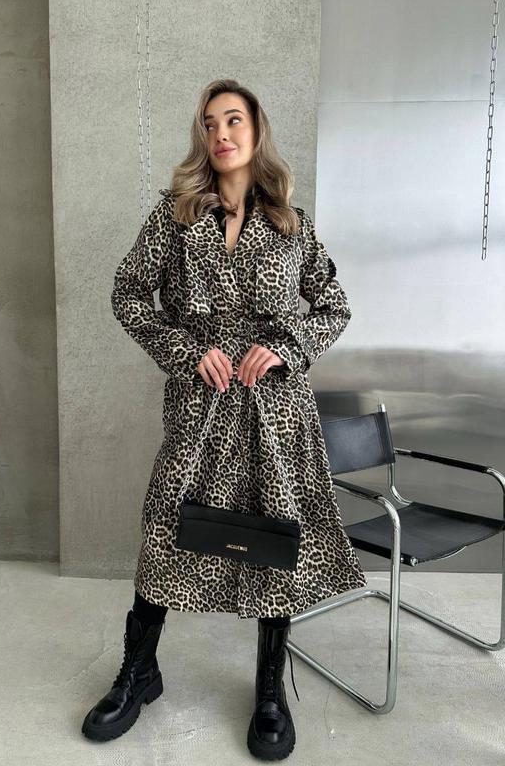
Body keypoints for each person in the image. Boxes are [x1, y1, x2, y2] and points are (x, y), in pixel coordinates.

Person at [81, 79, 367, 760]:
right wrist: (185, 351)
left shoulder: (292, 223)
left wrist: (289, 347)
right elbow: (128, 293)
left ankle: (269, 690)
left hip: (275, 411)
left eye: (233, 120)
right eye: (209, 124)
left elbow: (334, 306)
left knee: (274, 536)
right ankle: (139, 671)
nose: (220, 134)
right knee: (165, 531)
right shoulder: (174, 216)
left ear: (256, 130)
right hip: (200, 405)